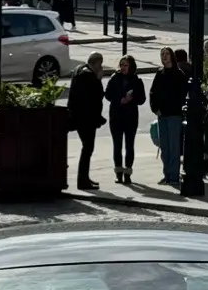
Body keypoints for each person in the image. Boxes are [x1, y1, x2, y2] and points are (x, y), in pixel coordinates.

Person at [149, 46, 187, 187]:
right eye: (162, 54)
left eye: (166, 54)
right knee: (164, 147)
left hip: (174, 115)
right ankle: (167, 175)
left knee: (173, 146)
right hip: (162, 114)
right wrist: (155, 108)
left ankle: (174, 176)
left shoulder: (179, 74)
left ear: (172, 56)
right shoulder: (160, 73)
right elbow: (153, 92)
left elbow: (182, 94)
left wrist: (177, 108)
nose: (164, 56)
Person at [105, 54, 145, 184]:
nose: (123, 67)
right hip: (116, 115)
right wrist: (120, 99)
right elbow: (108, 94)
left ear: (131, 66)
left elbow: (142, 99)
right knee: (117, 145)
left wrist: (132, 98)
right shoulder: (115, 78)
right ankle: (118, 172)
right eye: (121, 65)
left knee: (129, 145)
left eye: (126, 65)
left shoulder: (136, 80)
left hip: (130, 117)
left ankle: (128, 172)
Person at [67, 51, 105, 191]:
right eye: (100, 65)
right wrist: (99, 79)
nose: (100, 68)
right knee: (88, 148)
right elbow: (95, 97)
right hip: (86, 119)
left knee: (87, 148)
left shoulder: (79, 69)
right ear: (96, 63)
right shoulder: (89, 76)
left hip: (80, 116)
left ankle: (84, 178)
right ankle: (82, 180)